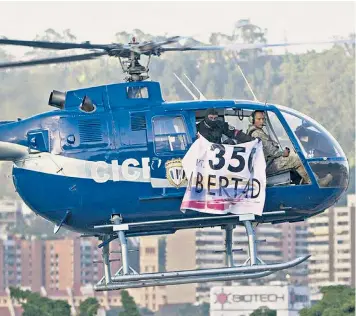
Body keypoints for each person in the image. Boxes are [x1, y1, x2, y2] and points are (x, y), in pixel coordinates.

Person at [247, 110, 333, 186]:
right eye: (259, 119)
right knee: (296, 160)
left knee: (293, 156)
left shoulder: (255, 132)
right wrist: (283, 153)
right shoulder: (257, 133)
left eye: (263, 119)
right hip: (267, 165)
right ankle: (314, 182)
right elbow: (271, 151)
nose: (261, 121)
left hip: (265, 163)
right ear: (252, 120)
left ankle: (304, 181)